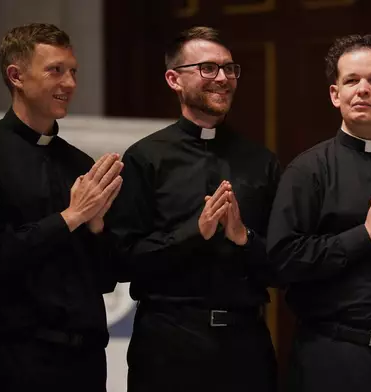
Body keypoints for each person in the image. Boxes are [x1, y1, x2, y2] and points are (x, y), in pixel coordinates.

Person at [106, 26, 279, 392]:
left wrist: (243, 237)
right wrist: (193, 233)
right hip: (168, 345)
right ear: (174, 79)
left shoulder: (260, 161)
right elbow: (121, 260)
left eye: (230, 69)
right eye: (208, 68)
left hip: (245, 345)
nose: (223, 78)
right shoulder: (146, 158)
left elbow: (282, 264)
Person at [266, 34, 371, 392]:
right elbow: (282, 261)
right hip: (331, 358)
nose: (363, 89)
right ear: (335, 95)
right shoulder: (308, 171)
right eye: (351, 80)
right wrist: (365, 236)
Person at [0, 23, 123, 392]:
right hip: (12, 363)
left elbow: (104, 280)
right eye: (55, 70)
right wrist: (70, 217)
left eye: (73, 71)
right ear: (16, 76)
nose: (69, 84)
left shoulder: (80, 164)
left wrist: (96, 227)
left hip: (84, 366)